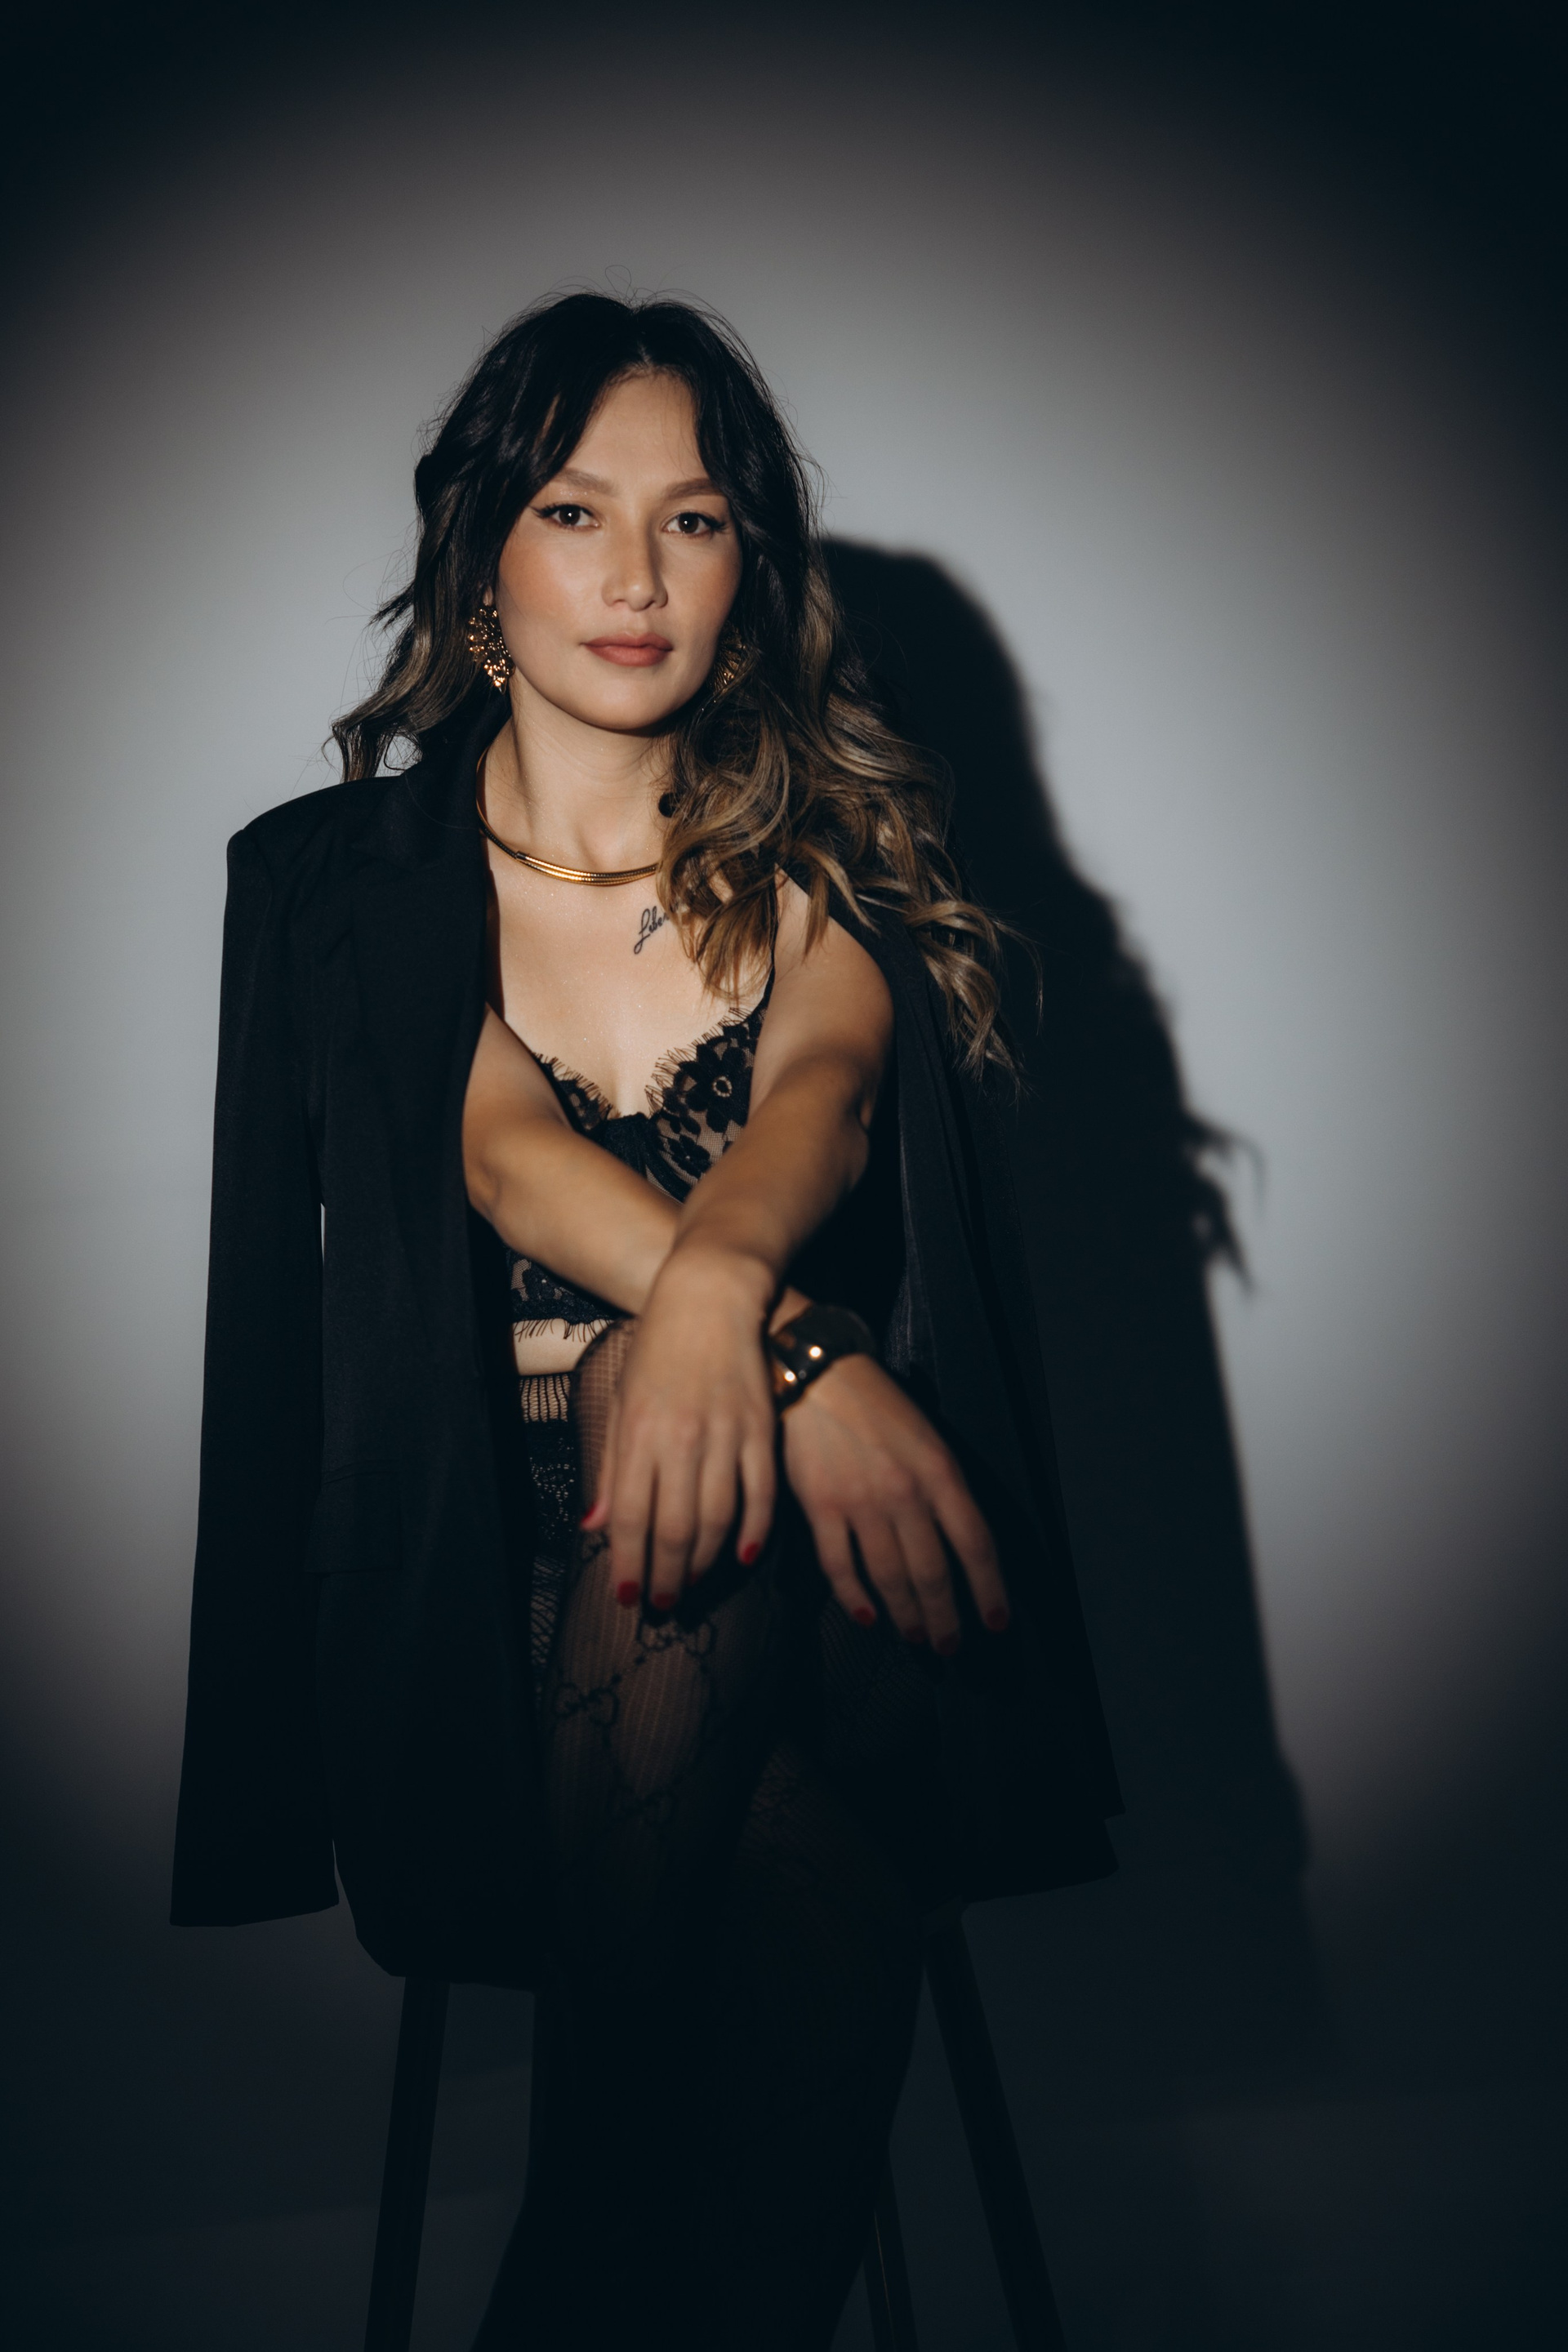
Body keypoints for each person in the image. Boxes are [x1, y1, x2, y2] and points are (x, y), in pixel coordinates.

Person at [171, 291, 1120, 2349]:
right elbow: (503, 1152)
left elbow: (819, 1109)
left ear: (745, 569)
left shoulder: (830, 862)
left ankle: (571, 2274)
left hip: (848, 1609)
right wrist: (800, 1358)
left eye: (692, 520)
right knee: (786, 1892)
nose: (635, 573)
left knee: (662, 1422)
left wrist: (716, 1308)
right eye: (575, 510)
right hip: (474, 1642)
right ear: (482, 564)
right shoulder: (347, 888)